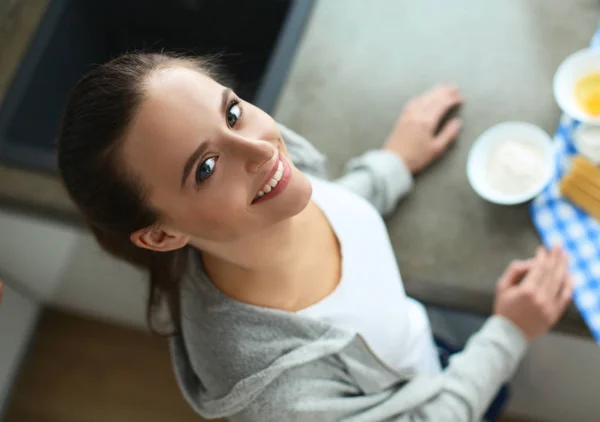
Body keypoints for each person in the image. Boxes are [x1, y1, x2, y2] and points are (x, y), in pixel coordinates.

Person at [56, 53, 573, 422]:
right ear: (163, 233)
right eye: (206, 167)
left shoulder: (270, 164)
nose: (259, 148)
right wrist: (508, 334)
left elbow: (324, 197)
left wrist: (392, 163)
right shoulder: (279, 396)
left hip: (414, 349)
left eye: (231, 110)